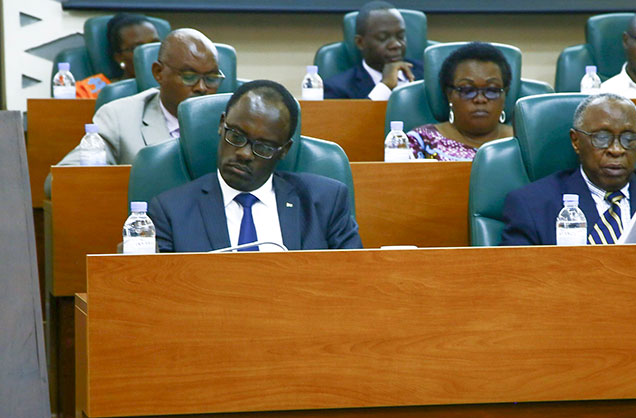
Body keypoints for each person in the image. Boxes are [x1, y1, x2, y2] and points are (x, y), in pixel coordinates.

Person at [147, 80, 363, 252]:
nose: (244, 153)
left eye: (264, 147)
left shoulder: (325, 202)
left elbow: (355, 278)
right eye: (237, 136)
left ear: (284, 150)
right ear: (222, 125)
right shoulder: (170, 211)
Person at [500, 93, 636, 246]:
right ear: (576, 141)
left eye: (629, 138)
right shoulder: (531, 206)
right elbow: (517, 282)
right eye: (602, 138)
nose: (617, 150)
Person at [57, 28, 222, 166]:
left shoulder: (231, 120)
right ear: (159, 73)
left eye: (211, 79)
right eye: (189, 76)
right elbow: (65, 178)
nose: (202, 88)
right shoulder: (119, 118)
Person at [407, 42, 514, 161]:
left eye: (492, 90)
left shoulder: (525, 142)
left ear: (505, 94)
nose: (480, 99)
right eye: (467, 90)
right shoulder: (421, 142)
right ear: (449, 94)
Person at [324, 1, 423, 100]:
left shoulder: (428, 76)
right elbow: (356, 116)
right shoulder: (337, 89)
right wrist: (385, 87)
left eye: (400, 36)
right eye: (383, 38)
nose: (396, 45)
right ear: (360, 42)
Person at [75, 13, 161, 99]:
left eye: (155, 45)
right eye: (138, 48)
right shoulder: (89, 92)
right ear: (119, 58)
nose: (148, 53)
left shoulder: (171, 85)